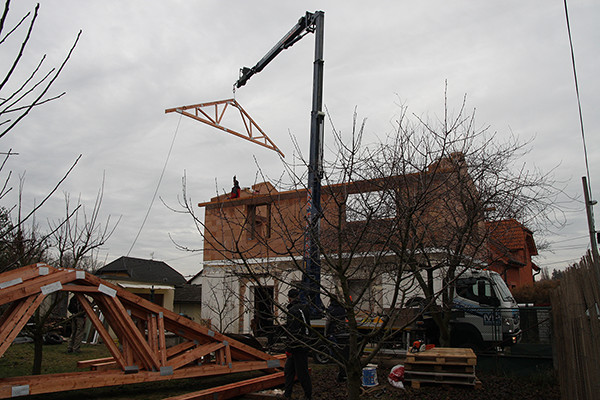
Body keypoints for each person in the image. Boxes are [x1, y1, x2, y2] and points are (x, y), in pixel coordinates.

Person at [283, 289, 312, 400]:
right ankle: (287, 394)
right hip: (302, 344)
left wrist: (289, 348)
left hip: (297, 347)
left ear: (290, 298)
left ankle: (308, 395)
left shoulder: (293, 312)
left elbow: (292, 332)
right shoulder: (304, 308)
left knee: (302, 373)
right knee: (289, 370)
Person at [325, 297, 349, 382]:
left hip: (333, 331)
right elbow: (345, 318)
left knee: (334, 349)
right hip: (341, 331)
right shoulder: (342, 308)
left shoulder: (330, 309)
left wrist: (326, 332)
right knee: (342, 351)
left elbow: (328, 321)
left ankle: (336, 361)